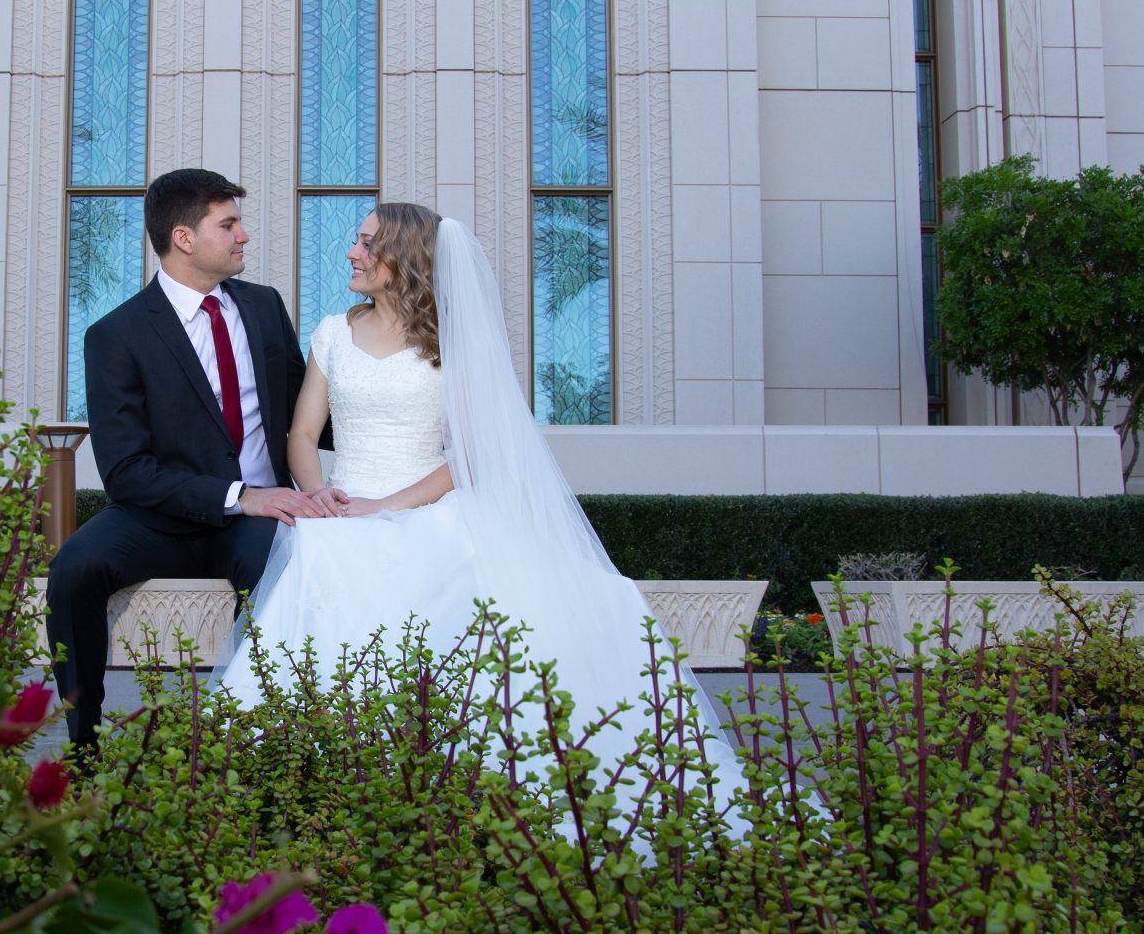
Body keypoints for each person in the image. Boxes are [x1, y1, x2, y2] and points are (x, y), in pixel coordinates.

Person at [214, 202, 745, 809]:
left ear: (403, 259)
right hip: (342, 508)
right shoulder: (334, 333)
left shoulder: (454, 342)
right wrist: (319, 496)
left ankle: (444, 775)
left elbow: (470, 455)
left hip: (426, 506)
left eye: (365, 244)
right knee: (320, 568)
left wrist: (386, 507)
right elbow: (303, 434)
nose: (351, 254)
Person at [46, 168, 346, 755]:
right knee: (74, 568)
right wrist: (239, 495)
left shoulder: (263, 308)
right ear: (184, 239)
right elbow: (125, 470)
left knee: (286, 573)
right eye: (228, 224)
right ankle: (84, 742)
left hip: (261, 518)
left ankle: (272, 744)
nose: (244, 236)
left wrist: (399, 409)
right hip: (159, 519)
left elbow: (305, 417)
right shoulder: (117, 335)